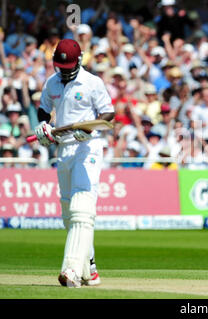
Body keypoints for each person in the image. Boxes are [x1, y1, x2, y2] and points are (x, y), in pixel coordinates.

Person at [33, 39, 115, 288]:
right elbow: (44, 109)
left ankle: (71, 271)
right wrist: (44, 126)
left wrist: (88, 130)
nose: (65, 72)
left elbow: (108, 113)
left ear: (79, 61)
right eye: (61, 67)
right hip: (64, 148)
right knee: (69, 214)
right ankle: (89, 268)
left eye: (68, 67)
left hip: (87, 147)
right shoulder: (52, 82)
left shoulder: (92, 82)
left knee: (82, 206)